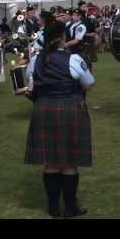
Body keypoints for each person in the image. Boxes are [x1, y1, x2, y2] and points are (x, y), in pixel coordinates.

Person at [25, 21, 95, 218]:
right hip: (69, 109)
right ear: (63, 37)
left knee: (50, 162)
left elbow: (31, 86)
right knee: (70, 162)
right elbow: (89, 83)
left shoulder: (36, 59)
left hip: (43, 109)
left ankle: (53, 207)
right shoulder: (73, 59)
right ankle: (70, 207)